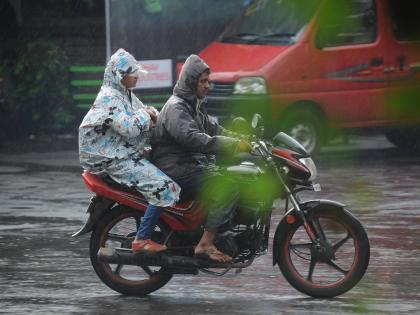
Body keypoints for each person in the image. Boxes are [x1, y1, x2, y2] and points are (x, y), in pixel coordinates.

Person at [151, 54, 252, 263]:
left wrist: (242, 138)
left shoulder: (193, 105)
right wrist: (232, 145)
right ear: (190, 81)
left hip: (188, 164)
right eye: (203, 81)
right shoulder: (176, 108)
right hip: (175, 168)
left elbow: (214, 128)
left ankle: (218, 230)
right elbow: (193, 139)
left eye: (208, 81)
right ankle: (205, 244)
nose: (207, 86)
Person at [79, 48, 180, 252]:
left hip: (124, 153)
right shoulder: (109, 97)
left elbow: (149, 115)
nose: (137, 77)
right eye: (133, 73)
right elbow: (130, 127)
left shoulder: (125, 94)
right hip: (112, 159)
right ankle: (142, 239)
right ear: (120, 75)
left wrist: (149, 114)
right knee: (165, 187)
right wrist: (146, 115)